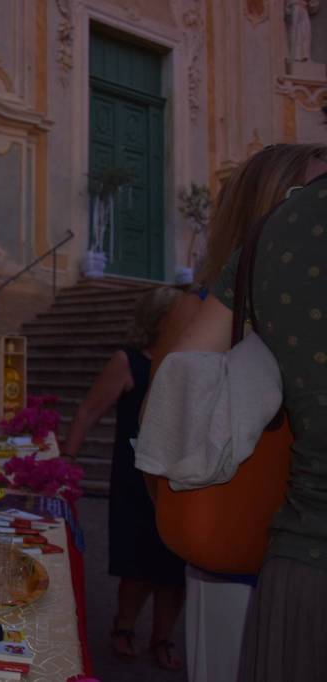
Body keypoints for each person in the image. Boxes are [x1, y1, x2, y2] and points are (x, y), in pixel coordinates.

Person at [147, 143, 327, 682]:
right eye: (307, 190)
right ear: (274, 200)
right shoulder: (205, 302)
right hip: (236, 542)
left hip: (284, 557)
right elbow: (165, 429)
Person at [61, 286, 185, 670]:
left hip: (179, 478)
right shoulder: (128, 361)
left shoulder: (189, 360)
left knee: (174, 567)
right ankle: (124, 626)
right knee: (137, 562)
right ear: (160, 318)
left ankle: (163, 636)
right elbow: (88, 411)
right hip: (135, 478)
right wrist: (65, 464)